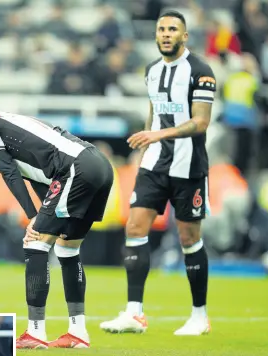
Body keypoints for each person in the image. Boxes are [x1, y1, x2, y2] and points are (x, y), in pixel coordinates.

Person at [0, 109, 114, 349]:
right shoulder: (3, 121)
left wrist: (33, 216)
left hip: (76, 169)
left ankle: (35, 332)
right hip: (98, 166)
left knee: (35, 242)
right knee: (66, 249)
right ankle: (77, 333)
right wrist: (44, 214)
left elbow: (8, 171)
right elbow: (40, 178)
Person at [99, 10, 215, 336]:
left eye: (173, 29)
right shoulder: (151, 71)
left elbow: (201, 122)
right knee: (135, 226)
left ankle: (199, 316)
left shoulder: (201, 72)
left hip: (188, 167)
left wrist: (157, 135)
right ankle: (134, 313)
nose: (166, 33)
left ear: (185, 35)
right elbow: (154, 112)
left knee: (189, 237)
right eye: (162, 29)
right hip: (154, 164)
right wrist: (146, 139)